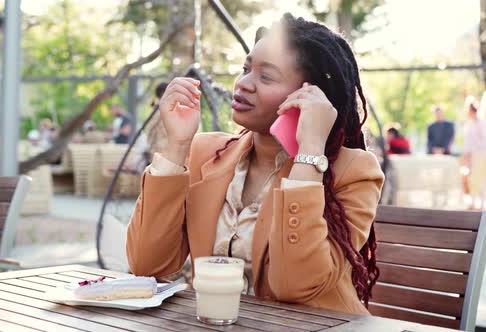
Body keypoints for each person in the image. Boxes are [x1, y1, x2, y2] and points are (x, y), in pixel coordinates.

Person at [127, 14, 384, 315]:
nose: (243, 84)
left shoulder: (354, 171)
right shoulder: (206, 152)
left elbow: (296, 285)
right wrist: (177, 146)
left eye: (266, 76)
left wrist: (310, 153)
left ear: (310, 95)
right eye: (245, 69)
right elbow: (147, 263)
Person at [462, 98, 486, 210]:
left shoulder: (481, 123)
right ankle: (474, 200)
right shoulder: (469, 124)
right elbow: (467, 141)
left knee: (480, 177)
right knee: (472, 178)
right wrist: (467, 155)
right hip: (473, 154)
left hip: (480, 153)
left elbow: (483, 140)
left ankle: (481, 202)